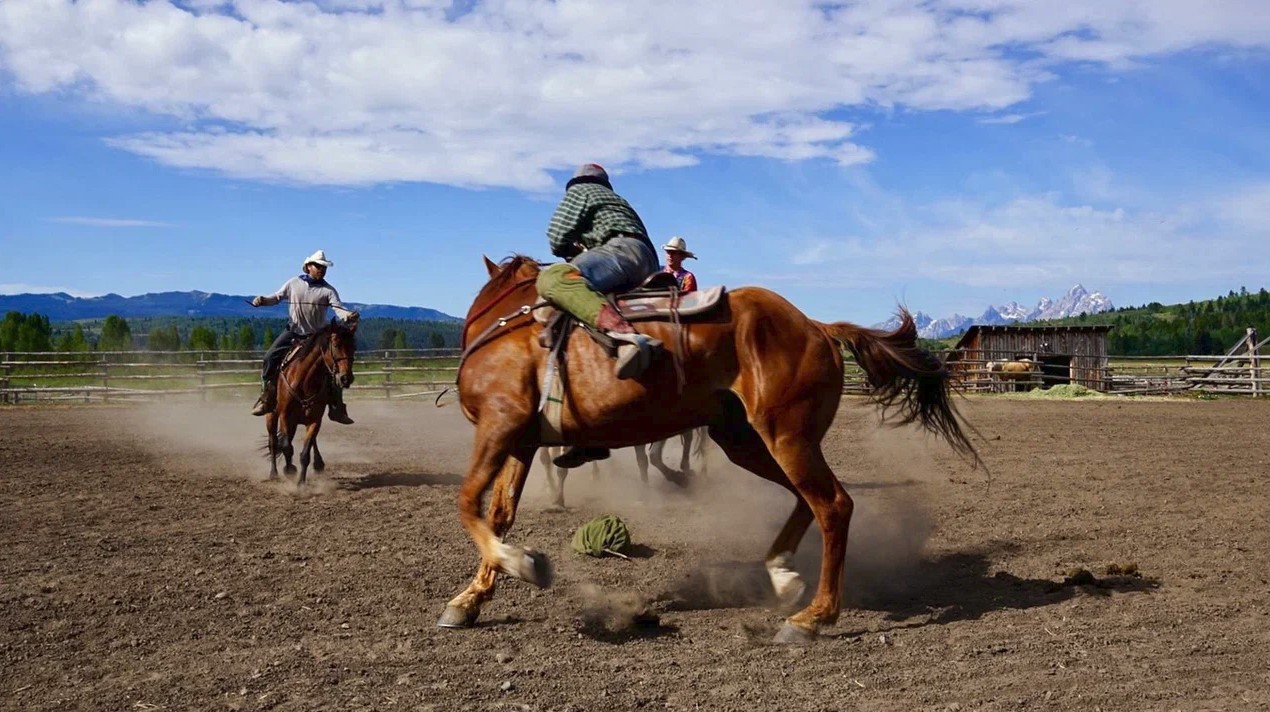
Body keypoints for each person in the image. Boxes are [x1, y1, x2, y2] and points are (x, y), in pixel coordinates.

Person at [536, 163, 663, 469]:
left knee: (553, 280)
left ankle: (625, 335)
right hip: (644, 259)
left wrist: (571, 249)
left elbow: (555, 237)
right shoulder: (616, 201)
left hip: (621, 252)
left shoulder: (581, 191)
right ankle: (590, 436)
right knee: (584, 311)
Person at [249, 249, 358, 424]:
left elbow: (338, 309)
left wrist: (347, 316)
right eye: (318, 266)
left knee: (334, 368)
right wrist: (263, 300)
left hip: (318, 338)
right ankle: (267, 397)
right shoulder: (293, 283)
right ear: (308, 266)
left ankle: (337, 407)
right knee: (269, 358)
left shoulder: (328, 291)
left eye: (324, 267)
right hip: (293, 332)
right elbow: (277, 297)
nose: (322, 269)